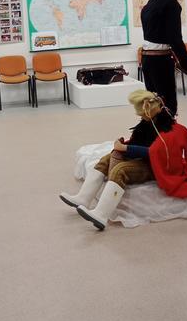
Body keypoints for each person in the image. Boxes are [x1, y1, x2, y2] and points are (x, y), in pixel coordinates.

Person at [60, 90, 174, 230]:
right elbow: (141, 141)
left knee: (121, 170)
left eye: (142, 114)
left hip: (154, 165)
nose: (141, 117)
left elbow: (156, 152)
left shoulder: (167, 127)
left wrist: (126, 148)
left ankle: (101, 214)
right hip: (143, 158)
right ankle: (83, 198)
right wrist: (123, 146)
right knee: (106, 159)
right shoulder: (148, 121)